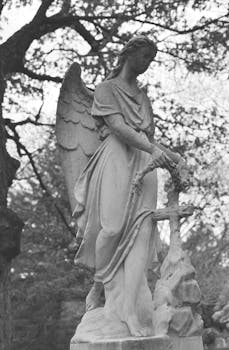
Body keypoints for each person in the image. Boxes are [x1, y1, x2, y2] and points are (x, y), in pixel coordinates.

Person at [73, 36, 182, 337]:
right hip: (116, 157)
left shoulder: (144, 98)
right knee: (111, 228)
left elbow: (149, 138)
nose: (148, 63)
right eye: (145, 56)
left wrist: (172, 157)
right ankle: (98, 287)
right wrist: (153, 151)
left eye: (152, 59)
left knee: (142, 234)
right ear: (129, 53)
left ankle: (131, 312)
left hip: (145, 165)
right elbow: (119, 127)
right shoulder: (106, 90)